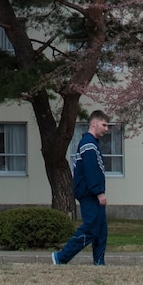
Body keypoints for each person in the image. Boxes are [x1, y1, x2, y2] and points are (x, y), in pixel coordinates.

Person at [54, 111, 111, 266]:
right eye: (104, 125)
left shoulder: (92, 143)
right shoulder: (88, 144)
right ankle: (61, 257)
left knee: (100, 230)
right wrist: (99, 192)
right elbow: (91, 170)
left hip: (92, 193)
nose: (106, 129)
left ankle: (99, 262)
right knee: (91, 228)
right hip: (90, 194)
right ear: (94, 123)